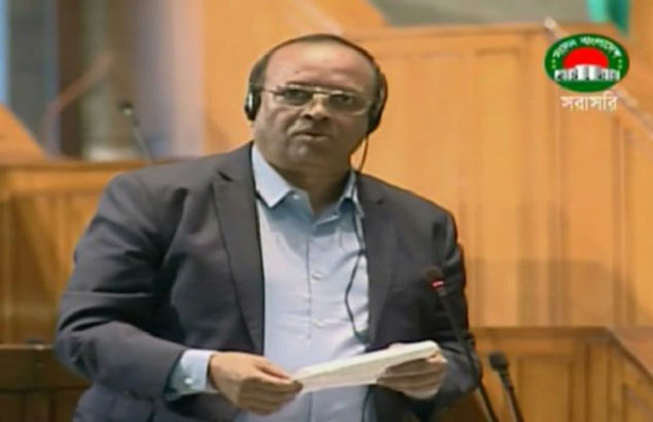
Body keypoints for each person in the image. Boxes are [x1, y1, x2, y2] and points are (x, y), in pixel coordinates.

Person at [55, 33, 477, 422]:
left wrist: (433, 376)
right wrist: (208, 370)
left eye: (343, 100)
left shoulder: (421, 224)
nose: (317, 112)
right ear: (253, 104)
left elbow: (458, 353)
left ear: (372, 118)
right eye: (294, 94)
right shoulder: (156, 199)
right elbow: (86, 332)